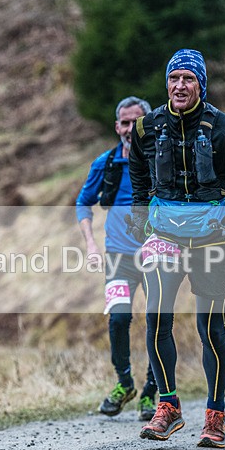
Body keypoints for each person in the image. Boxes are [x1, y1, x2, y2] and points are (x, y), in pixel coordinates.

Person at [128, 49, 225, 448]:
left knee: (210, 328)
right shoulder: (147, 127)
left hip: (213, 238)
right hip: (165, 236)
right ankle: (168, 406)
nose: (180, 86)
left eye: (188, 79)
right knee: (156, 319)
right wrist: (139, 213)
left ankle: (215, 415)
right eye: (174, 79)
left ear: (201, 85)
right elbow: (138, 173)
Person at [75, 95, 158, 421]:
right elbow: (83, 203)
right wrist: (91, 244)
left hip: (156, 256)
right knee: (119, 318)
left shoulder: (160, 160)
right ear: (116, 126)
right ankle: (125, 384)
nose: (130, 129)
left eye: (136, 122)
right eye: (125, 123)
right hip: (118, 258)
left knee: (158, 320)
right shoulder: (106, 163)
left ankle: (151, 393)